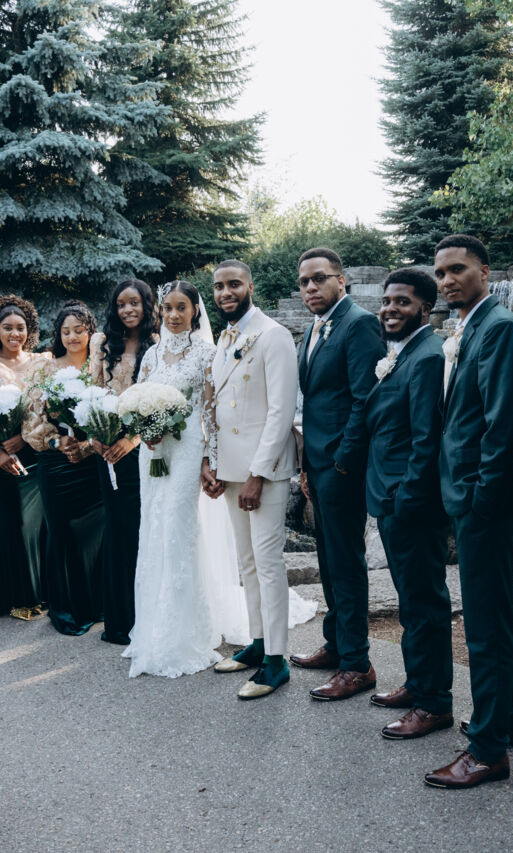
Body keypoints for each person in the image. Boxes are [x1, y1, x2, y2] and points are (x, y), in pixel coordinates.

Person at [423, 234, 513, 790]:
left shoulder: (499, 329)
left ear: (485, 271)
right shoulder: (469, 327)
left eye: (457, 270)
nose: (447, 280)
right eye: (440, 273)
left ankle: (487, 750)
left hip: (485, 498)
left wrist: (481, 499)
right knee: (503, 608)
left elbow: (501, 421)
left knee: (486, 625)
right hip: (473, 493)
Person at [122, 281, 249, 677]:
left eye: (182, 307)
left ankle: (182, 632)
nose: (174, 315)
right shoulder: (151, 354)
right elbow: (136, 400)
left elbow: (210, 410)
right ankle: (151, 626)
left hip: (189, 447)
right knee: (152, 526)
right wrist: (144, 431)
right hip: (152, 452)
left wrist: (211, 460)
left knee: (177, 526)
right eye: (168, 308)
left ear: (195, 310)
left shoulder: (207, 353)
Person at [289, 247, 386, 702]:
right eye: (304, 281)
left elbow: (365, 399)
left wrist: (343, 462)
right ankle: (336, 644)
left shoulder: (359, 324)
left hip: (343, 467)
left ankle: (357, 664)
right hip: (318, 464)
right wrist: (307, 465)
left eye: (319, 278)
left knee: (346, 563)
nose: (310, 287)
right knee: (328, 560)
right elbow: (314, 402)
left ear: (341, 280)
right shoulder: (314, 328)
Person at [362, 268, 454, 739]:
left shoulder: (428, 357)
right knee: (411, 601)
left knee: (424, 604)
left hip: (410, 502)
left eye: (402, 301)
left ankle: (434, 703)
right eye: (386, 301)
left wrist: (406, 500)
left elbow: (426, 439)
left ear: (425, 308)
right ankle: (418, 684)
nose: (390, 309)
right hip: (391, 496)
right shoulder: (403, 353)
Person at [205, 260, 300, 699]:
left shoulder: (273, 334)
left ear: (250, 286)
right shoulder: (225, 338)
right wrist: (212, 464)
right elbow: (214, 408)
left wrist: (256, 474)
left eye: (234, 284)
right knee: (246, 563)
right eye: (219, 286)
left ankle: (276, 661)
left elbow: (281, 411)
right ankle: (258, 643)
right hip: (230, 470)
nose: (226, 292)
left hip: (263, 471)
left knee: (267, 562)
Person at [0, 294, 50, 621]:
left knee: (35, 522)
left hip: (33, 450)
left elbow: (44, 409)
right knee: (13, 519)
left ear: (29, 330)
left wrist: (25, 438)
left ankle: (37, 594)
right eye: (8, 328)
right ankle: (13, 599)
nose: (15, 334)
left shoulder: (41, 361)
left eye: (20, 327)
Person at [23, 300, 105, 636]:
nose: (72, 337)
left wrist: (86, 445)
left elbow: (110, 409)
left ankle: (97, 602)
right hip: (56, 462)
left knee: (95, 534)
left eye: (79, 330)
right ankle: (65, 607)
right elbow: (31, 421)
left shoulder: (100, 366)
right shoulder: (45, 368)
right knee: (61, 532)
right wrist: (59, 442)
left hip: (93, 461)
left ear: (90, 331)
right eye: (66, 331)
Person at [88, 279, 157, 645]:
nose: (127, 310)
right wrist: (96, 434)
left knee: (140, 531)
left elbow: (163, 402)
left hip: (143, 449)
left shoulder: (157, 343)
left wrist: (132, 439)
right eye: (121, 304)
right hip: (107, 449)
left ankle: (144, 617)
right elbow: (93, 391)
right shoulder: (102, 343)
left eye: (134, 303)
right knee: (116, 530)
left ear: (146, 305)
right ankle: (118, 620)